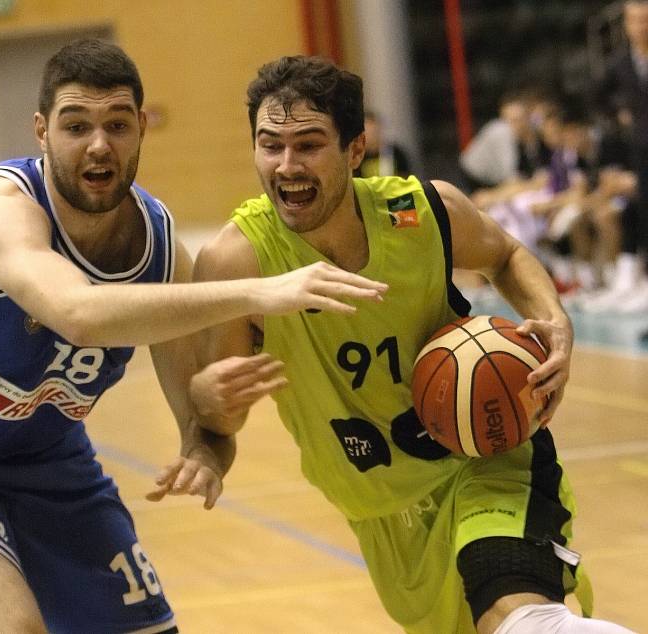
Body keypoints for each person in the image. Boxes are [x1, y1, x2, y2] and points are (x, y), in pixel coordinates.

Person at [0, 40, 387, 634]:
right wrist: (260, 290)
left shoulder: (158, 250)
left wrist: (207, 449)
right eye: (76, 125)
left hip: (53, 466)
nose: (99, 144)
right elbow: (77, 312)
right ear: (41, 132)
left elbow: (201, 422)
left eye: (117, 125)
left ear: (140, 133)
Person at [190, 55, 635, 633]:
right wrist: (206, 399)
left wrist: (556, 323)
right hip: (380, 509)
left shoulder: (423, 211)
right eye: (269, 144)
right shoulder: (236, 260)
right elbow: (219, 416)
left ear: (355, 151)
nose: (286, 164)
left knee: (519, 615)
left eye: (308, 144)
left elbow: (504, 254)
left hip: (486, 458)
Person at [594, 0, 648, 313]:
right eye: (635, 20)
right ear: (626, 24)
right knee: (642, 210)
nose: (641, 26)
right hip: (641, 148)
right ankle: (638, 283)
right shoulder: (619, 63)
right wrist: (621, 115)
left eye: (645, 19)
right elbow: (598, 97)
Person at [353, 110, 411, 179]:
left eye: (372, 132)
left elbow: (405, 179)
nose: (370, 136)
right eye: (366, 133)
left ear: (378, 130)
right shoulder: (357, 156)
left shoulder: (395, 153)